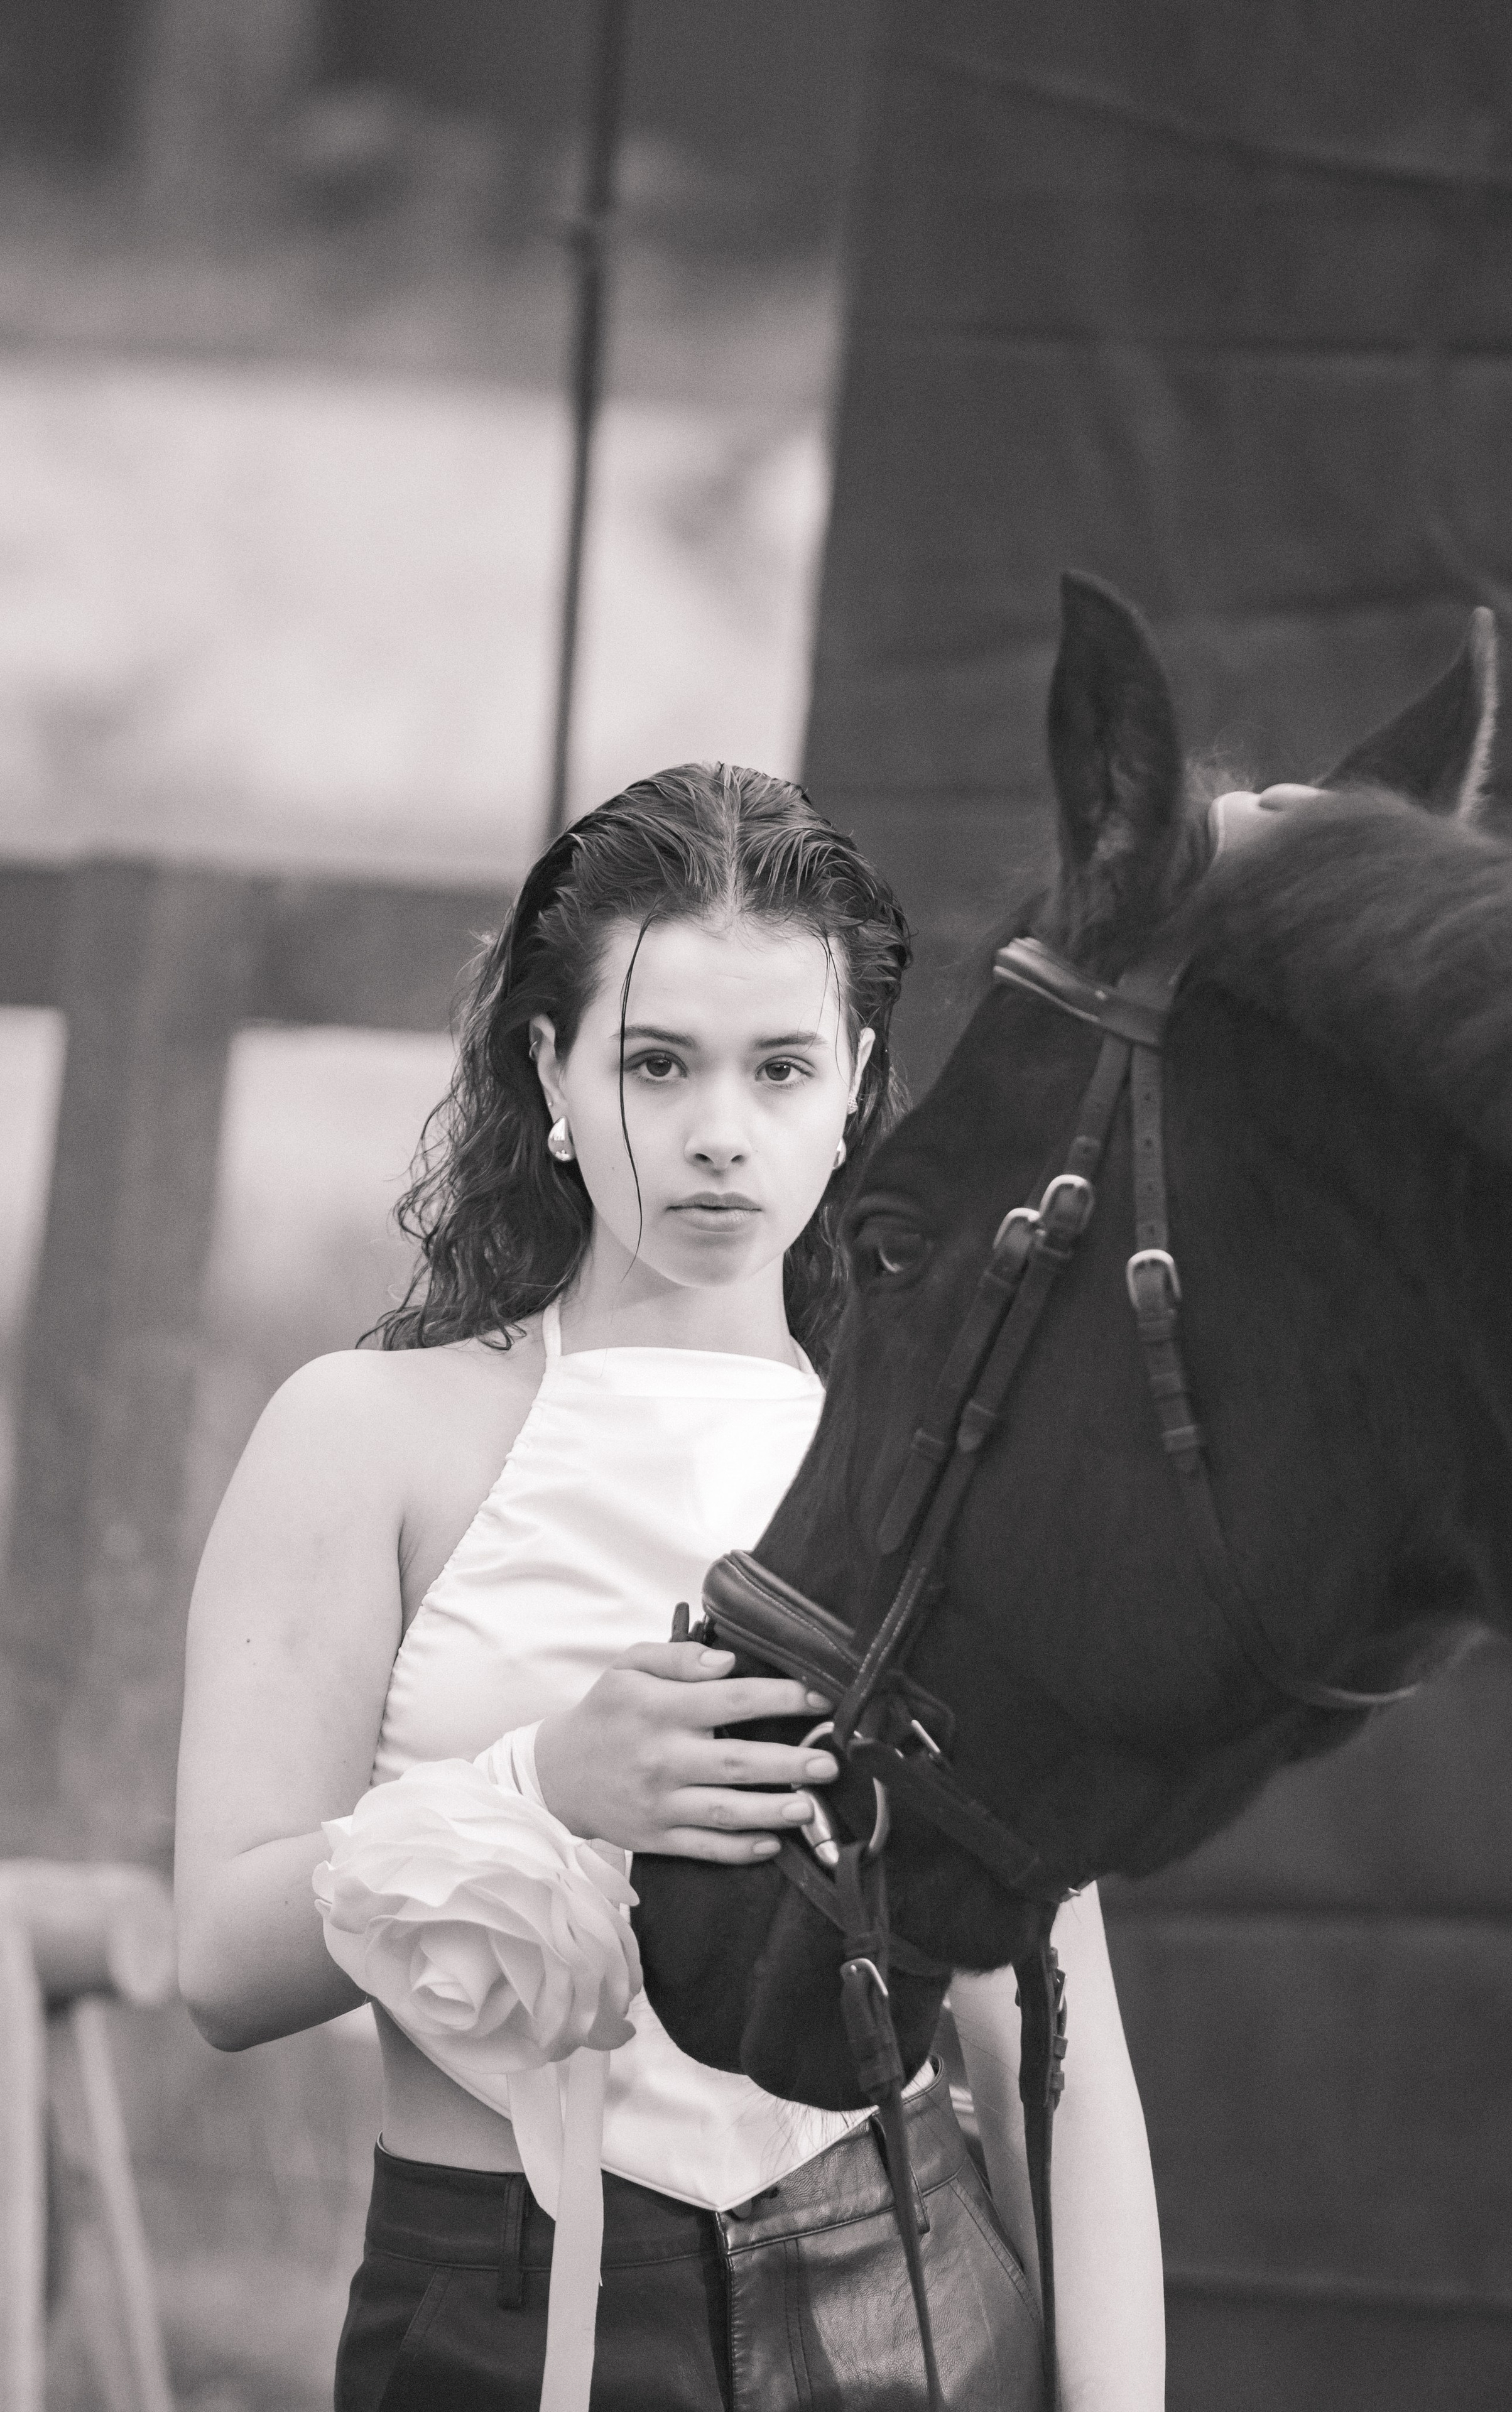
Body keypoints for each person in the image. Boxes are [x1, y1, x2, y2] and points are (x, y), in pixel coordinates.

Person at [174, 764, 1165, 2412]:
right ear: (550, 1074)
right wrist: (545, 1787)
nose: (719, 1130)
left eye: (778, 1065)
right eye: (656, 1062)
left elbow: (1054, 2049)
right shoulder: (366, 1436)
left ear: (853, 1085)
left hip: (914, 2299)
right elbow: (217, 1962)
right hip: (515, 2308)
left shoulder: (947, 1468)